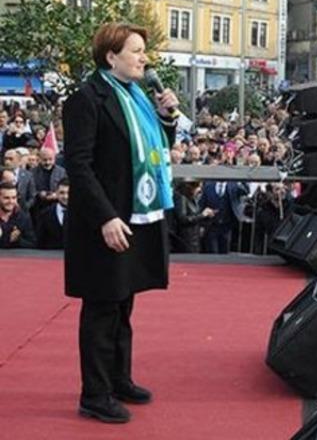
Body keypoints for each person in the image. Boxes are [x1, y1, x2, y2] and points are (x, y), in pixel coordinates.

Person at [63, 23, 179, 423]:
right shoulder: (86, 99)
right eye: (136, 50)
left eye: (143, 51)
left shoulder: (138, 98)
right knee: (102, 306)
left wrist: (166, 118)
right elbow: (78, 166)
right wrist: (106, 217)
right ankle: (94, 394)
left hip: (136, 214)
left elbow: (155, 147)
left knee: (123, 301)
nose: (143, 58)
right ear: (111, 56)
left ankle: (119, 378)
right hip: (105, 222)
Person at [167, 179, 215, 254]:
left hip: (194, 239)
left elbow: (194, 215)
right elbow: (183, 219)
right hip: (186, 240)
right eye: (198, 187)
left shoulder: (192, 198)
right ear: (190, 187)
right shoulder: (181, 197)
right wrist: (202, 215)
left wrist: (206, 216)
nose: (200, 190)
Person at [35, 177, 69, 249]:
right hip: (50, 257)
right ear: (56, 193)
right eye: (62, 193)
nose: (65, 196)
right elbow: (40, 242)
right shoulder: (45, 214)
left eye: (69, 193)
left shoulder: (81, 214)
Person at [0, 181, 36, 248]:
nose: (11, 201)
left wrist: (18, 240)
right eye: (6, 198)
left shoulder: (24, 218)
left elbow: (33, 244)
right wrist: (6, 240)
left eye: (14, 198)